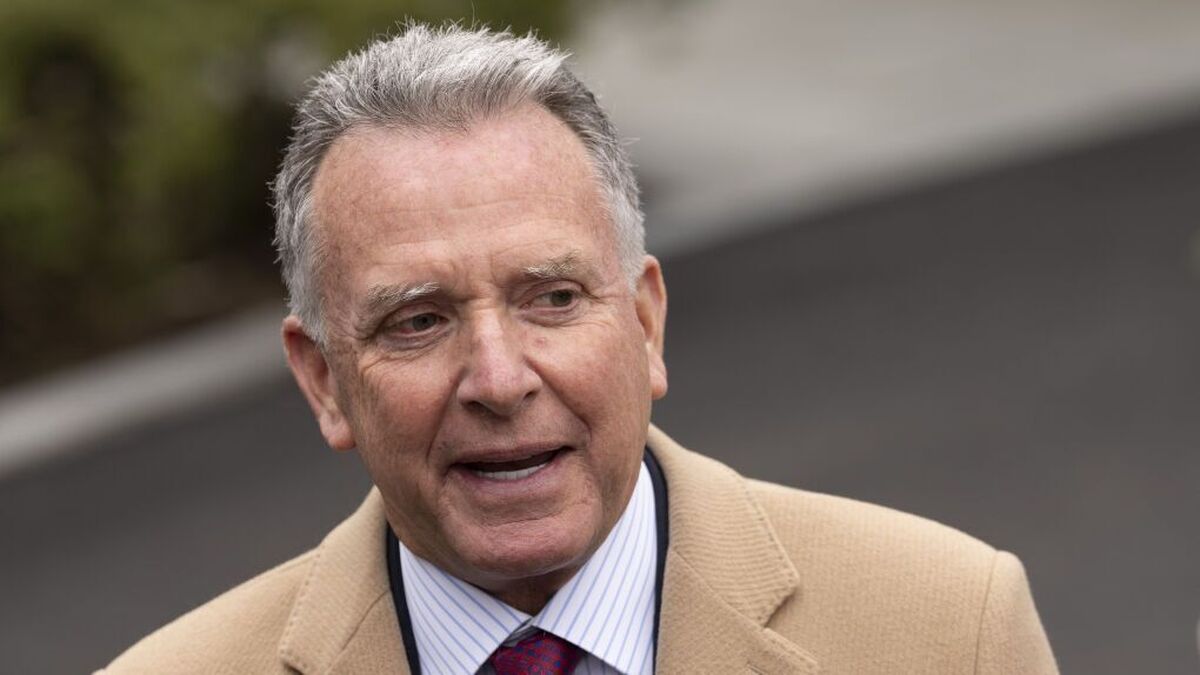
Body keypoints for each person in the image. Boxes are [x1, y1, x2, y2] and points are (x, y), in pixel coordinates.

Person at [101, 23, 1057, 674]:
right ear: (323, 381)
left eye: (553, 298)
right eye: (419, 320)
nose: (499, 378)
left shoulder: (951, 628)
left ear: (645, 322)